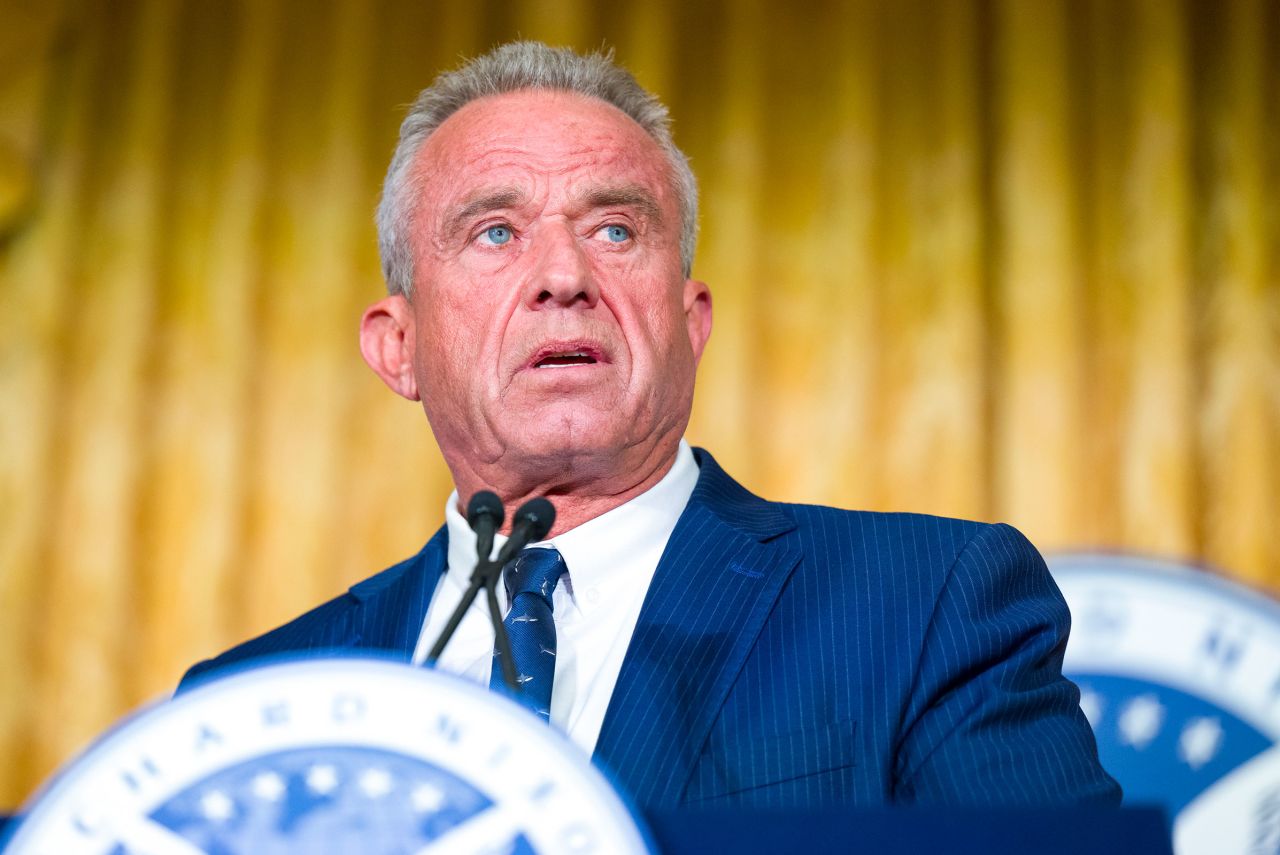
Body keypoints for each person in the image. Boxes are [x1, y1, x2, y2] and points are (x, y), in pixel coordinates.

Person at [180, 41, 1120, 809]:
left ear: (690, 321)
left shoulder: (928, 606)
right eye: (496, 232)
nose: (564, 275)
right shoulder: (252, 703)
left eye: (616, 230)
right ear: (399, 347)